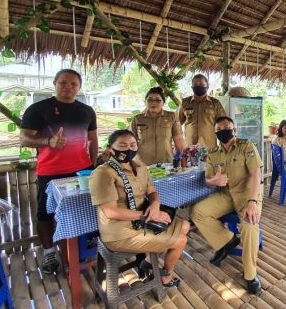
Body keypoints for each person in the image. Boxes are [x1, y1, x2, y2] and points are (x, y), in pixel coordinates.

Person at [20, 69, 98, 274]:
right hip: (50, 171)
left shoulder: (87, 111)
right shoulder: (38, 109)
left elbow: (93, 139)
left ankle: (85, 249)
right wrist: (48, 142)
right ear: (55, 83)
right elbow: (24, 139)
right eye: (63, 82)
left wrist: (94, 165)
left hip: (82, 171)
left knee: (87, 209)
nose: (68, 87)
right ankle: (49, 253)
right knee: (45, 214)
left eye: (73, 84)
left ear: (79, 87)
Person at [89, 129, 190, 288]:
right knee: (181, 240)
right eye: (122, 145)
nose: (128, 149)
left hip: (142, 220)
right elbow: (110, 212)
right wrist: (146, 215)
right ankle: (167, 275)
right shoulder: (103, 173)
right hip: (119, 231)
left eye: (132, 145)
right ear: (110, 148)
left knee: (185, 225)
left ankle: (149, 261)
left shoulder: (140, 167)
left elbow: (152, 192)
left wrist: (155, 206)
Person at [190, 116, 264, 295]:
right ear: (216, 133)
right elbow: (208, 180)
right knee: (197, 211)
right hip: (225, 196)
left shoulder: (246, 146)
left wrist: (253, 202)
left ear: (234, 130)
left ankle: (250, 275)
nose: (224, 131)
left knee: (248, 225)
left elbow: (256, 175)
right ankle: (227, 240)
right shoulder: (213, 153)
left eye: (227, 127)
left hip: (248, 195)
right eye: (220, 129)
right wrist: (214, 180)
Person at [130, 87, 186, 165]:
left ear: (163, 102)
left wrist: (184, 160)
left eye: (158, 100)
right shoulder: (137, 119)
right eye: (150, 100)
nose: (153, 103)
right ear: (145, 102)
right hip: (143, 164)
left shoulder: (171, 116)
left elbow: (178, 139)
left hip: (166, 163)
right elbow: (130, 142)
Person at [178, 74, 227, 149]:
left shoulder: (215, 103)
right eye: (195, 84)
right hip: (190, 148)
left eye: (201, 84)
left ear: (207, 86)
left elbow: (224, 124)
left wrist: (224, 143)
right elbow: (177, 123)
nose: (198, 86)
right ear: (192, 87)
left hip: (209, 147)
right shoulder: (185, 103)